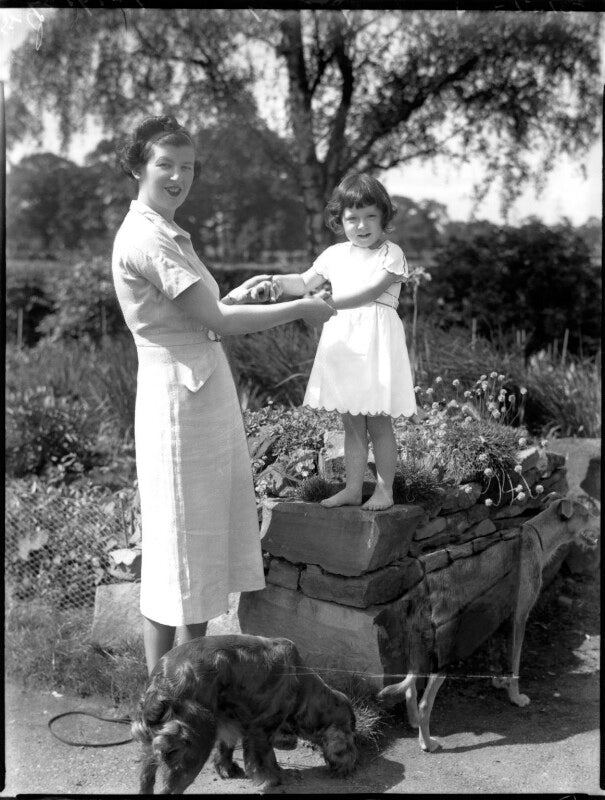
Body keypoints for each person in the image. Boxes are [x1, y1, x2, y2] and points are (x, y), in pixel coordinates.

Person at [111, 115, 336, 674]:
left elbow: (197, 315)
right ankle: (170, 699)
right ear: (138, 167)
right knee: (179, 550)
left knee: (197, 548)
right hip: (177, 400)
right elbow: (215, 322)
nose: (178, 177)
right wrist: (299, 308)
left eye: (187, 167)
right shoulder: (146, 236)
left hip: (199, 393)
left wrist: (241, 294)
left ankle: (189, 693)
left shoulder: (167, 231)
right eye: (166, 164)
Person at [252, 174, 416, 511]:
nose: (361, 225)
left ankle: (385, 491)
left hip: (376, 340)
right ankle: (353, 489)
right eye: (352, 218)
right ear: (340, 221)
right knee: (351, 420)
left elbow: (371, 292)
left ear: (384, 217)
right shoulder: (335, 254)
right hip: (343, 341)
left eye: (370, 216)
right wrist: (274, 285)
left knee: (379, 420)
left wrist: (327, 304)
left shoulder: (392, 253)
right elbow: (302, 281)